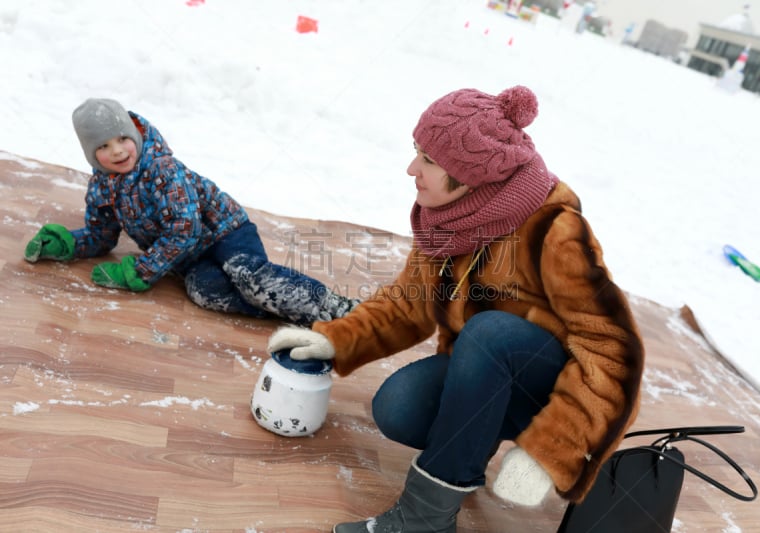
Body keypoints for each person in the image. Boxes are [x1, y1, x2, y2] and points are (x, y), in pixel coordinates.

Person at [267, 85, 644, 532]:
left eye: (428, 160)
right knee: (399, 408)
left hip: (546, 382)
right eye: (417, 151)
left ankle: (423, 520)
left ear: (472, 175)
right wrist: (335, 337)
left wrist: (553, 447)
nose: (411, 169)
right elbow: (410, 301)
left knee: (491, 333)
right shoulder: (448, 217)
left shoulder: (553, 229)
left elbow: (613, 350)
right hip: (484, 369)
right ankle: (465, 450)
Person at [24, 98, 358, 326]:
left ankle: (335, 308)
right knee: (204, 293)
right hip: (188, 260)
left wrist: (142, 270)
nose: (117, 150)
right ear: (91, 154)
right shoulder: (103, 187)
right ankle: (292, 312)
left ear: (133, 133)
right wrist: (68, 244)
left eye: (121, 138)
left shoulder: (162, 169)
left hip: (225, 233)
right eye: (103, 146)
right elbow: (102, 236)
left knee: (247, 276)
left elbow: (185, 230)